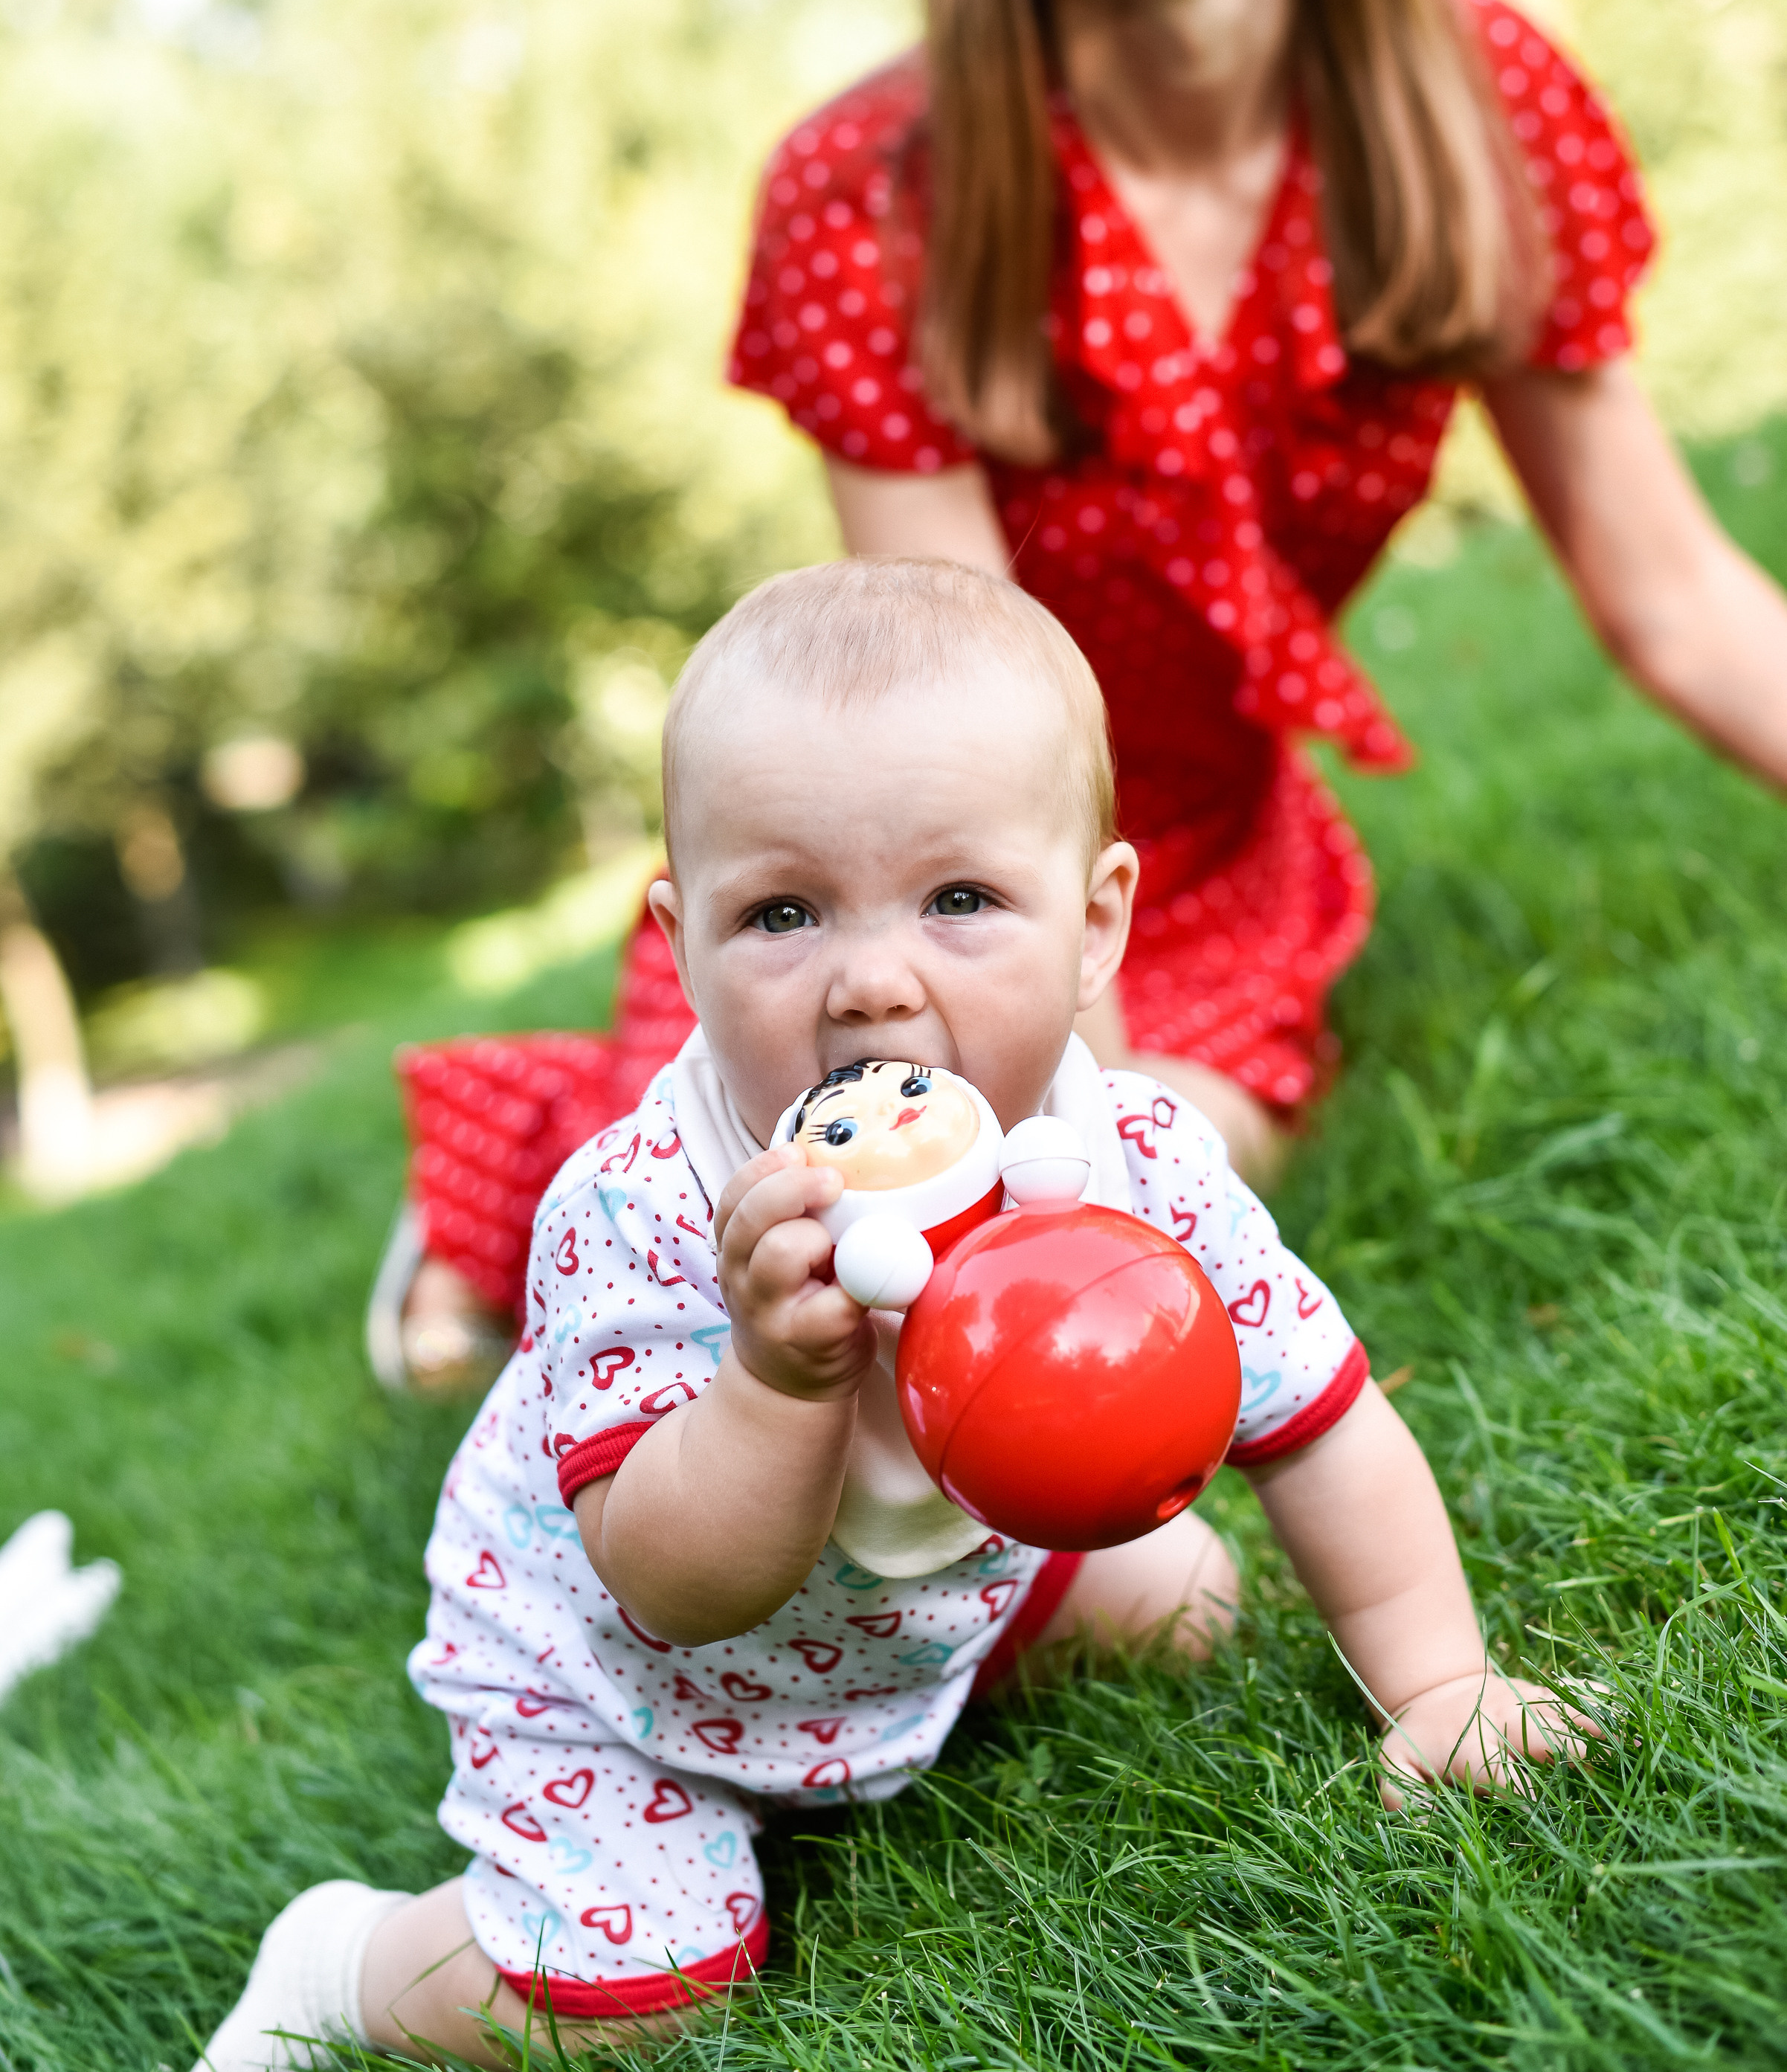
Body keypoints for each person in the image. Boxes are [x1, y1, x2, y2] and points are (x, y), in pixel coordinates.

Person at [382, 0, 1787, 1387]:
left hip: (1189, 858)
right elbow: (952, 745)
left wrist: (1114, 1159)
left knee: (1179, 1178)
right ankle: (514, 1175)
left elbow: (1680, 604)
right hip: (924, 880)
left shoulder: (1478, 102)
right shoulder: (875, 194)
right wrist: (1033, 1131)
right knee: (789, 1276)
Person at [205, 561, 1589, 2066]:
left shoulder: (1129, 1167)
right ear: (679, 946)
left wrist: (1441, 1687)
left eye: (960, 900)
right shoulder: (644, 1214)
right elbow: (671, 1588)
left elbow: (1319, 1424)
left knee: (1187, 1598)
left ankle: (938, 1668)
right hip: (628, 1681)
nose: (871, 982)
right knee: (644, 2004)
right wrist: (773, 1382)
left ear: (1097, 924)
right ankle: (344, 1965)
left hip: (907, 1602)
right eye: (783, 912)